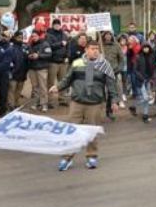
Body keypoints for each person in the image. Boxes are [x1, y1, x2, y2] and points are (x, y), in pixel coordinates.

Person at [49, 40, 120, 170]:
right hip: (77, 103)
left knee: (91, 131)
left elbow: (111, 85)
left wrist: (115, 100)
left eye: (97, 49)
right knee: (72, 131)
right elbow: (67, 79)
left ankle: (91, 156)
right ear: (86, 50)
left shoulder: (105, 65)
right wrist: (57, 87)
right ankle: (67, 158)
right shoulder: (77, 63)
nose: (95, 51)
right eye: (92, 48)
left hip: (95, 104)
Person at [45, 19, 70, 107]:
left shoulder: (64, 35)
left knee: (63, 82)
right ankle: (50, 101)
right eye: (55, 25)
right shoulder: (49, 35)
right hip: (53, 62)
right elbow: (49, 46)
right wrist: (60, 44)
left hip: (63, 62)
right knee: (51, 82)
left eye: (58, 25)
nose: (57, 26)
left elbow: (68, 47)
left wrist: (67, 56)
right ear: (52, 25)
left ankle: (62, 99)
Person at [27, 32, 53, 111]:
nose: (34, 38)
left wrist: (39, 56)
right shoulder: (30, 45)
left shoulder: (45, 44)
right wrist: (29, 56)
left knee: (43, 87)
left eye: (35, 36)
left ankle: (44, 104)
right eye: (32, 36)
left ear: (39, 36)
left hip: (42, 68)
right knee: (35, 87)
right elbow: (28, 53)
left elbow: (49, 54)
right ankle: (35, 103)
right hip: (32, 68)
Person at [101, 31, 125, 120]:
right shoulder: (100, 45)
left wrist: (119, 69)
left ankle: (109, 111)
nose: (108, 36)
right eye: (106, 35)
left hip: (113, 71)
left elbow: (122, 59)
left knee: (111, 91)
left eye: (109, 35)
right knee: (99, 91)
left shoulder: (116, 46)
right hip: (100, 71)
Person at [134, 44, 155, 123]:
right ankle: (134, 106)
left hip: (148, 79)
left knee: (147, 98)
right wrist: (141, 78)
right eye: (144, 47)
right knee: (146, 98)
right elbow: (135, 70)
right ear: (142, 48)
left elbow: (153, 68)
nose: (146, 49)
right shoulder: (138, 57)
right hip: (141, 80)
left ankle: (145, 115)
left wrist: (152, 78)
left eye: (147, 47)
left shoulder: (151, 56)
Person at [7, 31, 29, 109]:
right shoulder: (11, 47)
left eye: (21, 37)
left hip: (22, 72)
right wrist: (11, 70)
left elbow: (27, 59)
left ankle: (16, 103)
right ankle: (10, 104)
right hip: (13, 72)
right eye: (19, 37)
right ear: (15, 37)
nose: (20, 39)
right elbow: (8, 60)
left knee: (19, 89)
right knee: (11, 89)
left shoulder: (24, 47)